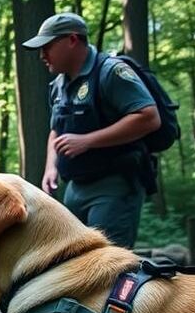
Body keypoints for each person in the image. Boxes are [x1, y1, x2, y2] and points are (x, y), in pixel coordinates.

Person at [23, 13, 160, 249]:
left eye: (47, 46)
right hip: (74, 188)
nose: (42, 55)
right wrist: (51, 167)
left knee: (104, 261)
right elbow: (56, 130)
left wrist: (87, 140)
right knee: (73, 259)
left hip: (113, 186)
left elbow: (148, 117)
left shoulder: (111, 72)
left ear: (72, 40)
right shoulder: (58, 85)